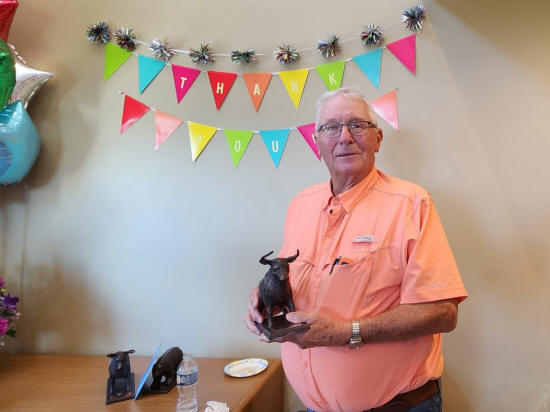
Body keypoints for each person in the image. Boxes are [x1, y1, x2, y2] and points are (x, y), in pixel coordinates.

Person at [244, 87, 468, 412]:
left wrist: (344, 332)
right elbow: (296, 279)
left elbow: (443, 313)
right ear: (316, 142)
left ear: (378, 138)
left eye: (357, 125)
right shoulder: (300, 204)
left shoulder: (411, 203)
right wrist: (264, 298)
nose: (345, 137)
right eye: (331, 127)